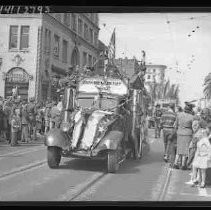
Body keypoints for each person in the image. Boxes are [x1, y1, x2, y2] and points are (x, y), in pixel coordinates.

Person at [173, 103, 194, 170]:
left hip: (179, 132)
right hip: (188, 133)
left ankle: (175, 163)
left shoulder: (179, 115)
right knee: (185, 150)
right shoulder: (192, 117)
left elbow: (175, 125)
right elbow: (193, 127)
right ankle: (183, 165)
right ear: (190, 109)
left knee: (179, 148)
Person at [191, 122, 211, 188]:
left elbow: (209, 148)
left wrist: (209, 156)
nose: (199, 135)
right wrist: (195, 158)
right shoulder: (199, 141)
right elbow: (197, 150)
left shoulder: (205, 140)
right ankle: (198, 181)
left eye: (200, 134)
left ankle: (203, 182)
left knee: (203, 171)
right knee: (199, 169)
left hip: (204, 157)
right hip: (199, 157)